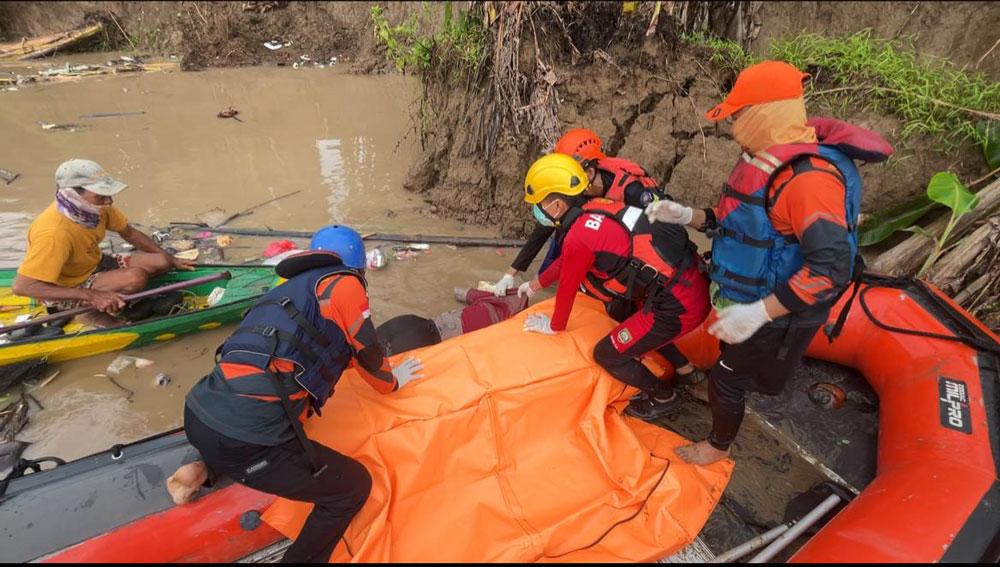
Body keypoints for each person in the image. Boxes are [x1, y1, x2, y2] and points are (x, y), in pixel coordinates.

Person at [644, 61, 892, 465]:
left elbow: (831, 267)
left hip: (781, 307)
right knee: (733, 364)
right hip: (749, 295)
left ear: (765, 113)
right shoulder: (765, 160)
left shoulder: (807, 180)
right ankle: (742, 381)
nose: (734, 126)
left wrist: (760, 313)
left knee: (725, 379)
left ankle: (716, 447)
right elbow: (744, 224)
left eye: (739, 115)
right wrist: (688, 215)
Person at [167, 225, 426, 563]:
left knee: (256, 424)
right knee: (352, 488)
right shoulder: (344, 285)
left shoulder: (285, 290)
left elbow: (312, 351)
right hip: (248, 438)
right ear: (357, 267)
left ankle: (202, 465)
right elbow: (368, 352)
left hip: (201, 409)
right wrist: (392, 382)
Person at [497, 130, 706, 385]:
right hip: (656, 278)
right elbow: (562, 250)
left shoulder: (630, 193)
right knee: (627, 314)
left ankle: (663, 395)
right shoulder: (587, 202)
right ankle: (684, 370)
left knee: (609, 351)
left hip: (669, 286)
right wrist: (522, 278)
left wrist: (554, 325)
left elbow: (570, 278)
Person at [12, 159, 194, 322]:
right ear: (73, 195)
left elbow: (129, 233)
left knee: (162, 261)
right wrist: (91, 296)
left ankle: (117, 293)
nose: (109, 201)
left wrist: (172, 260)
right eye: (100, 195)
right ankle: (85, 310)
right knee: (135, 277)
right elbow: (22, 287)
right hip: (68, 286)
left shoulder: (95, 207)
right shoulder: (53, 233)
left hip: (96, 264)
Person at [376, 287, 529, 355]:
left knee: (371, 343)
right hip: (430, 338)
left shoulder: (487, 299)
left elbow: (458, 291)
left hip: (413, 322)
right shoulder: (504, 326)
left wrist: (484, 294)